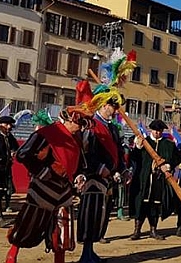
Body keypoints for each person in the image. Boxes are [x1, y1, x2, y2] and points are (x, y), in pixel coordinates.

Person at [5, 106, 93, 263]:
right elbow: (22, 154)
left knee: (63, 226)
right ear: (70, 120)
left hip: (65, 188)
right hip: (43, 185)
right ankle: (12, 254)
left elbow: (81, 164)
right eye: (79, 124)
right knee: (28, 224)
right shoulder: (46, 133)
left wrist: (80, 176)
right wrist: (41, 170)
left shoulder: (77, 138)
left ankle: (60, 260)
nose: (81, 128)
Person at [75, 82, 127, 263]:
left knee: (101, 217)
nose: (114, 110)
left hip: (108, 180)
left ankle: (91, 251)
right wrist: (99, 168)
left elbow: (118, 151)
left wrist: (123, 169)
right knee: (90, 215)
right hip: (93, 178)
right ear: (103, 105)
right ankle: (85, 253)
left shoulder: (112, 127)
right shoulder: (91, 125)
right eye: (112, 106)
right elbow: (86, 152)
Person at [131, 119, 181, 240]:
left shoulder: (169, 144)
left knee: (155, 205)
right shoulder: (144, 143)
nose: (157, 133)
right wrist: (137, 148)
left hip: (159, 180)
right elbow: (134, 159)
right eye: (155, 130)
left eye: (159, 131)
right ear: (150, 130)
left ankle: (153, 230)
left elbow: (177, 158)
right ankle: (137, 230)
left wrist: (169, 165)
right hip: (144, 179)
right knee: (141, 204)